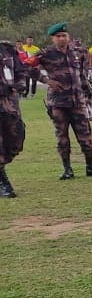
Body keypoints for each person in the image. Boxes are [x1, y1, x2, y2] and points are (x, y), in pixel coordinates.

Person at [26, 23, 92, 180]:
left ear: (68, 37)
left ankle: (91, 166)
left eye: (64, 36)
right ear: (53, 38)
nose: (62, 39)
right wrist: (46, 80)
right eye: (58, 36)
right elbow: (27, 67)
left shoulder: (78, 53)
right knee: (62, 137)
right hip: (58, 103)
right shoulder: (46, 54)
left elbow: (82, 76)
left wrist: (89, 97)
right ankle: (67, 169)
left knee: (85, 135)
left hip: (78, 101)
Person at [0, 40, 28, 198]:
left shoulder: (7, 50)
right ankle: (3, 182)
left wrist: (19, 85)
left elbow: (20, 71)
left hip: (9, 103)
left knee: (16, 139)